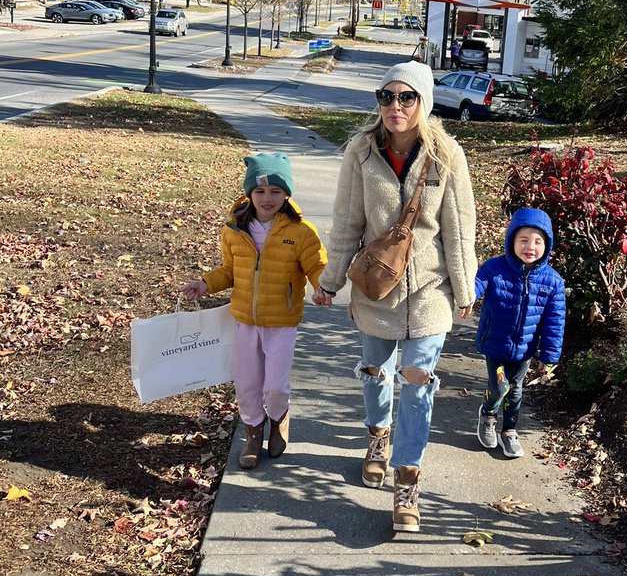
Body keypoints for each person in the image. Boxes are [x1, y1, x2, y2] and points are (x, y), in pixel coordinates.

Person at [312, 60, 477, 533]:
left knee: (418, 383)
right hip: (375, 290)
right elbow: (347, 222)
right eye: (387, 97)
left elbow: (460, 229)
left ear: (423, 102)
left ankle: (408, 481)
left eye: (406, 97)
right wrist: (331, 279)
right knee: (375, 374)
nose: (395, 107)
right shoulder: (360, 153)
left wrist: (465, 287)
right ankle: (377, 436)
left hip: (429, 291)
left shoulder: (447, 155)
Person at [180, 152, 327, 469]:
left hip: (282, 323)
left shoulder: (302, 233)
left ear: (287, 193)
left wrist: (322, 287)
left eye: (276, 191)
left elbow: (317, 265)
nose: (267, 198)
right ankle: (252, 432)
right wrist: (205, 284)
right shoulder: (234, 230)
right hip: (245, 321)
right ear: (249, 193)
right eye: (259, 191)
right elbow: (229, 271)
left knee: (274, 384)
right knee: (247, 384)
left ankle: (279, 419)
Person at [473, 207, 566, 458]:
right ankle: (489, 415)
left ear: (546, 246)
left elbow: (554, 321)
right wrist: (467, 298)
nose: (530, 247)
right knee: (499, 386)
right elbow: (476, 285)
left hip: (525, 348)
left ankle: (509, 430)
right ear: (511, 240)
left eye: (537, 241)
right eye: (523, 239)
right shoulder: (494, 268)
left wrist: (548, 356)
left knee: (516, 390)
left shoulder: (552, 281)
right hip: (496, 343)